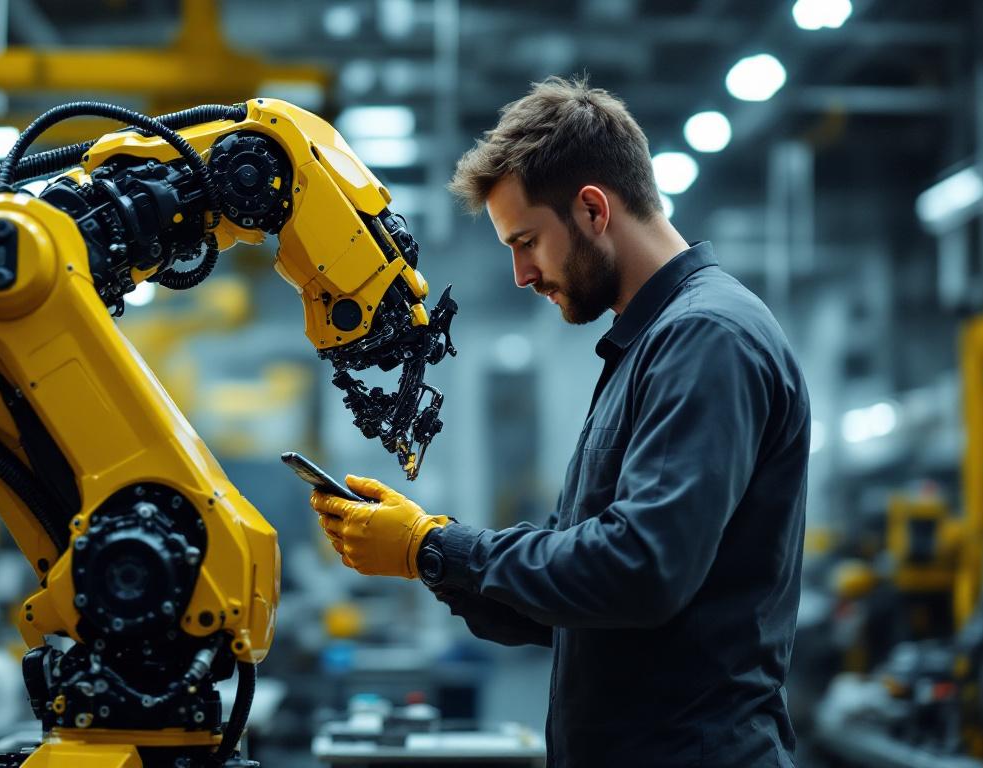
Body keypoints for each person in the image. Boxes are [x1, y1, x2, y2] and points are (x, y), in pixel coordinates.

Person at [310, 75, 809, 767]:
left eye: (527, 242)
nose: (521, 273)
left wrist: (432, 546)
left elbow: (639, 569)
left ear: (593, 210)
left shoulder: (707, 339)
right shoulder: (651, 344)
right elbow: (583, 595)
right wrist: (431, 552)